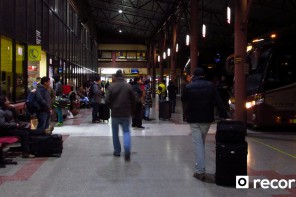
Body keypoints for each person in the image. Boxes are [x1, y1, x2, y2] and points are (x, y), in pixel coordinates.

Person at [181, 67, 228, 181]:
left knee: (198, 144)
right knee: (201, 142)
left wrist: (185, 115)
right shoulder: (211, 86)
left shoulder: (189, 86)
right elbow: (218, 101)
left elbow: (183, 100)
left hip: (193, 119)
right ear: (204, 75)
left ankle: (200, 171)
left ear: (194, 76)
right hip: (207, 119)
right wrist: (224, 114)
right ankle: (200, 168)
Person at [105, 70, 136, 161]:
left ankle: (117, 151)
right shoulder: (128, 86)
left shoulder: (111, 86)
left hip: (115, 114)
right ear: (122, 76)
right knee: (126, 132)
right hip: (126, 113)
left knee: (115, 133)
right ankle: (127, 151)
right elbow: (133, 100)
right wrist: (132, 111)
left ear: (116, 76)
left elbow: (107, 100)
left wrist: (112, 107)